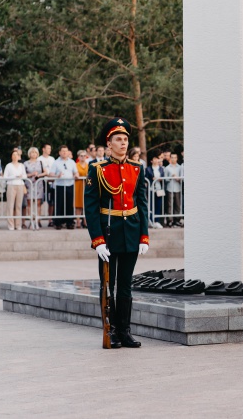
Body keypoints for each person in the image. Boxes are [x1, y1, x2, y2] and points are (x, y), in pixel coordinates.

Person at [86, 117, 149, 348]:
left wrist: (144, 235)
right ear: (109, 143)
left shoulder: (137, 169)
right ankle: (109, 330)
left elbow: (142, 204)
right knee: (107, 284)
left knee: (125, 285)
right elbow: (91, 208)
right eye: (118, 139)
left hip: (131, 231)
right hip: (109, 234)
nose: (123, 143)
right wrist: (98, 240)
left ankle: (124, 331)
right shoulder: (98, 169)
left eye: (125, 139)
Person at [50, 145, 77, 230]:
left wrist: (76, 175)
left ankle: (70, 222)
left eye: (66, 151)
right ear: (60, 152)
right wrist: (56, 175)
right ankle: (58, 222)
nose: (65, 152)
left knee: (69, 204)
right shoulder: (56, 162)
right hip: (59, 186)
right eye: (63, 151)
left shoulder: (72, 162)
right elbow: (51, 174)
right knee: (59, 204)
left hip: (69, 185)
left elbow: (76, 172)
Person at [3, 149, 27, 230]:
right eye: (13, 155)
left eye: (16, 155)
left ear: (19, 156)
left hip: (20, 185)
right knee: (10, 205)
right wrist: (14, 176)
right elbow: (5, 177)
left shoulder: (21, 165)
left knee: (18, 206)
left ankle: (18, 224)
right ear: (11, 156)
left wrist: (20, 176)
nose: (15, 156)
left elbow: (25, 176)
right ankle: (11, 225)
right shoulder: (8, 165)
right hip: (11, 185)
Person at [24, 147, 45, 229]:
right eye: (32, 152)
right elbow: (23, 174)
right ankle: (31, 220)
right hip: (29, 184)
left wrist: (39, 175)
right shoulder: (26, 163)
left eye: (35, 152)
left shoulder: (40, 162)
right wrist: (31, 174)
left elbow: (46, 172)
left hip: (38, 184)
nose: (34, 154)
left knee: (38, 203)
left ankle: (37, 220)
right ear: (29, 154)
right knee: (29, 203)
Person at [146, 152, 165, 229]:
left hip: (159, 189)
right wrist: (152, 179)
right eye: (154, 159)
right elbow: (146, 178)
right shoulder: (148, 169)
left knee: (158, 205)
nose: (156, 160)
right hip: (151, 189)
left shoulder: (161, 169)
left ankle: (157, 221)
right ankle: (151, 220)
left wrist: (161, 179)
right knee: (151, 205)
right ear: (151, 160)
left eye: (157, 159)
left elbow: (164, 177)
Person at [164, 152, 183, 227]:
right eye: (172, 157)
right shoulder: (167, 168)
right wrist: (171, 177)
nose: (173, 159)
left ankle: (177, 220)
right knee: (170, 205)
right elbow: (165, 179)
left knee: (177, 205)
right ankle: (169, 220)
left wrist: (178, 179)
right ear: (170, 158)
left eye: (175, 157)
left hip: (178, 188)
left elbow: (182, 177)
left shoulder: (180, 167)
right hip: (170, 188)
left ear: (177, 158)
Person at [38, 144, 55, 226]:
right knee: (40, 202)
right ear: (43, 149)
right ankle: (38, 220)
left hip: (51, 183)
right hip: (41, 183)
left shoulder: (52, 159)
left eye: (50, 148)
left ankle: (50, 220)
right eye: (48, 148)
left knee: (51, 202)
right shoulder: (39, 159)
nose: (50, 150)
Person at [74, 150, 90, 229]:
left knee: (86, 204)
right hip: (78, 185)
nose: (83, 157)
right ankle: (78, 221)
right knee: (78, 205)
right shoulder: (76, 165)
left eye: (84, 156)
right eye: (81, 156)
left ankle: (85, 221)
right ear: (78, 157)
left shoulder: (89, 165)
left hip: (86, 186)